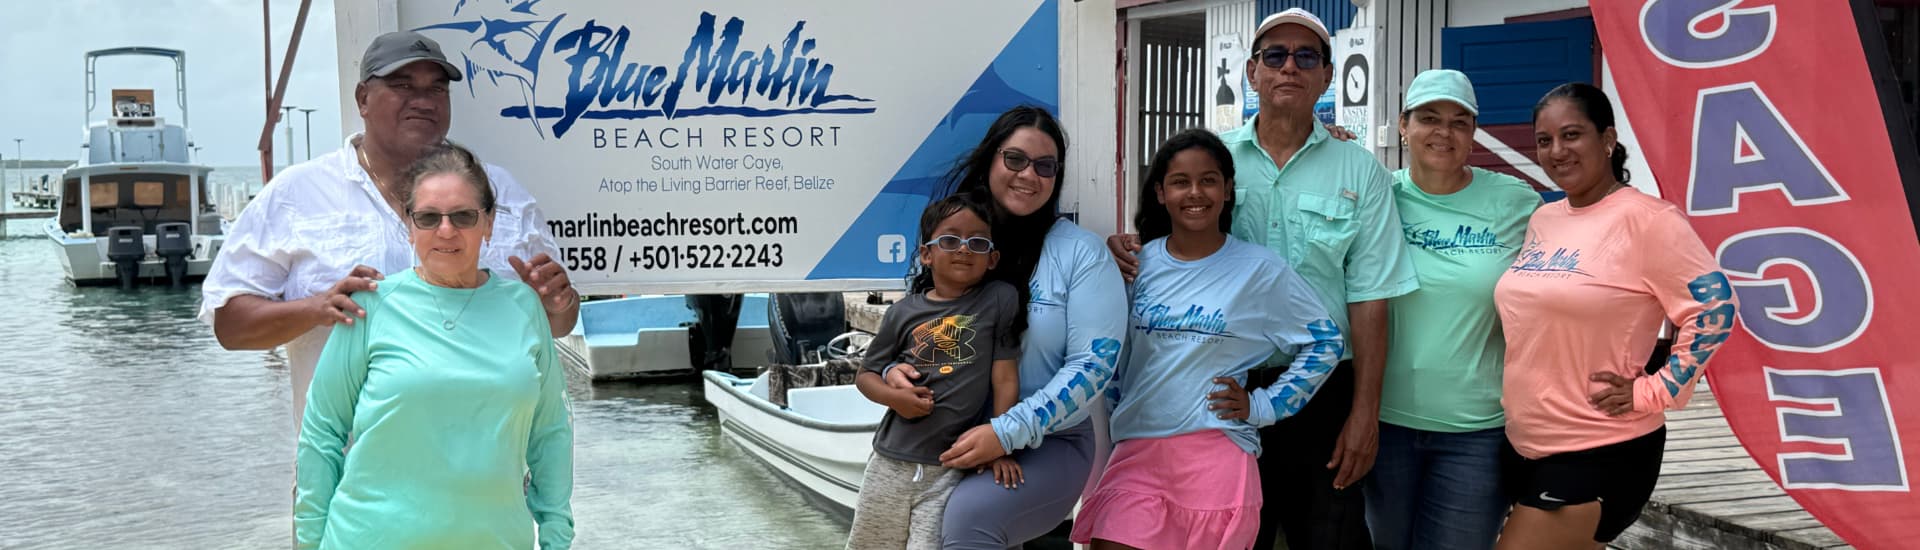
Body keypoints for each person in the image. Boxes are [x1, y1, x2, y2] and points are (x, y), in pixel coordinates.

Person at [1108, 9, 1415, 549]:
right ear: (1252, 72)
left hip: (1320, 388)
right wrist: (1125, 248)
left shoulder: (1358, 169)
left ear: (1327, 74)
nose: (1289, 67)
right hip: (1219, 389)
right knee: (1226, 536)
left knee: (1327, 536)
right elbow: (1164, 240)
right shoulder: (1215, 159)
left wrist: (1365, 412)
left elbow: (1370, 297)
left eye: (1307, 56)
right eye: (1275, 55)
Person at [199, 31, 579, 434]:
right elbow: (231, 327)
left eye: (437, 87)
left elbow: (556, 324)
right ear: (363, 99)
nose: (423, 99)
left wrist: (559, 305)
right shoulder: (296, 195)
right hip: (348, 479)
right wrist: (316, 308)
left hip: (489, 476)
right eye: (402, 85)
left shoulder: (504, 195)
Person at [1072, 129, 1344, 550]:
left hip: (1218, 455)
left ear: (1228, 190)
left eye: (1209, 180)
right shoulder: (1135, 266)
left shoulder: (1260, 270)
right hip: (1138, 453)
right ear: (1161, 193)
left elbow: (1326, 342)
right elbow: (1110, 358)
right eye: (1180, 181)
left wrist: (1264, 406)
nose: (1195, 192)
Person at [1493, 83, 1738, 549]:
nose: (1557, 151)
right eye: (1544, 141)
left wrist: (1657, 388)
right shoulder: (1546, 219)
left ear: (1607, 139)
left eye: (1572, 135)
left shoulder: (1649, 220)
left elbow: (1716, 307)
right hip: (1526, 443)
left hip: (1599, 447)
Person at [294, 144, 574, 550]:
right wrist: (308, 542)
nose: (446, 230)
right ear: (409, 227)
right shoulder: (371, 305)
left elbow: (550, 435)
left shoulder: (523, 307)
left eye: (463, 216)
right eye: (428, 218)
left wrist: (556, 537)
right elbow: (321, 434)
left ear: (489, 224)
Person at [880, 106, 1130, 549]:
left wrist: (1005, 431)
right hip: (946, 434)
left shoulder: (1081, 254)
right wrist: (893, 373)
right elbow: (916, 331)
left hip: (1050, 442)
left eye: (1045, 166)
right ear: (990, 161)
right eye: (1015, 159)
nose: (1028, 175)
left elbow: (1094, 366)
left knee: (967, 518)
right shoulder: (955, 241)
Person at [1362, 69, 1542, 550]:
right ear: (1403, 125)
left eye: (1460, 121)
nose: (1444, 132)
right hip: (1382, 424)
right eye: (1429, 118)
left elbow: (1574, 273)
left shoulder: (1515, 201)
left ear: (1473, 132)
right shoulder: (1375, 196)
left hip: (1477, 431)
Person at [847, 195, 1023, 550]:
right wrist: (895, 398)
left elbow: (1004, 377)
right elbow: (866, 375)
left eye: (977, 242)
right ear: (927, 254)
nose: (963, 249)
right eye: (949, 240)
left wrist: (1002, 442)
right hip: (890, 463)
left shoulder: (1000, 300)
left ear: (992, 258)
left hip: (951, 469)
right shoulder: (902, 313)